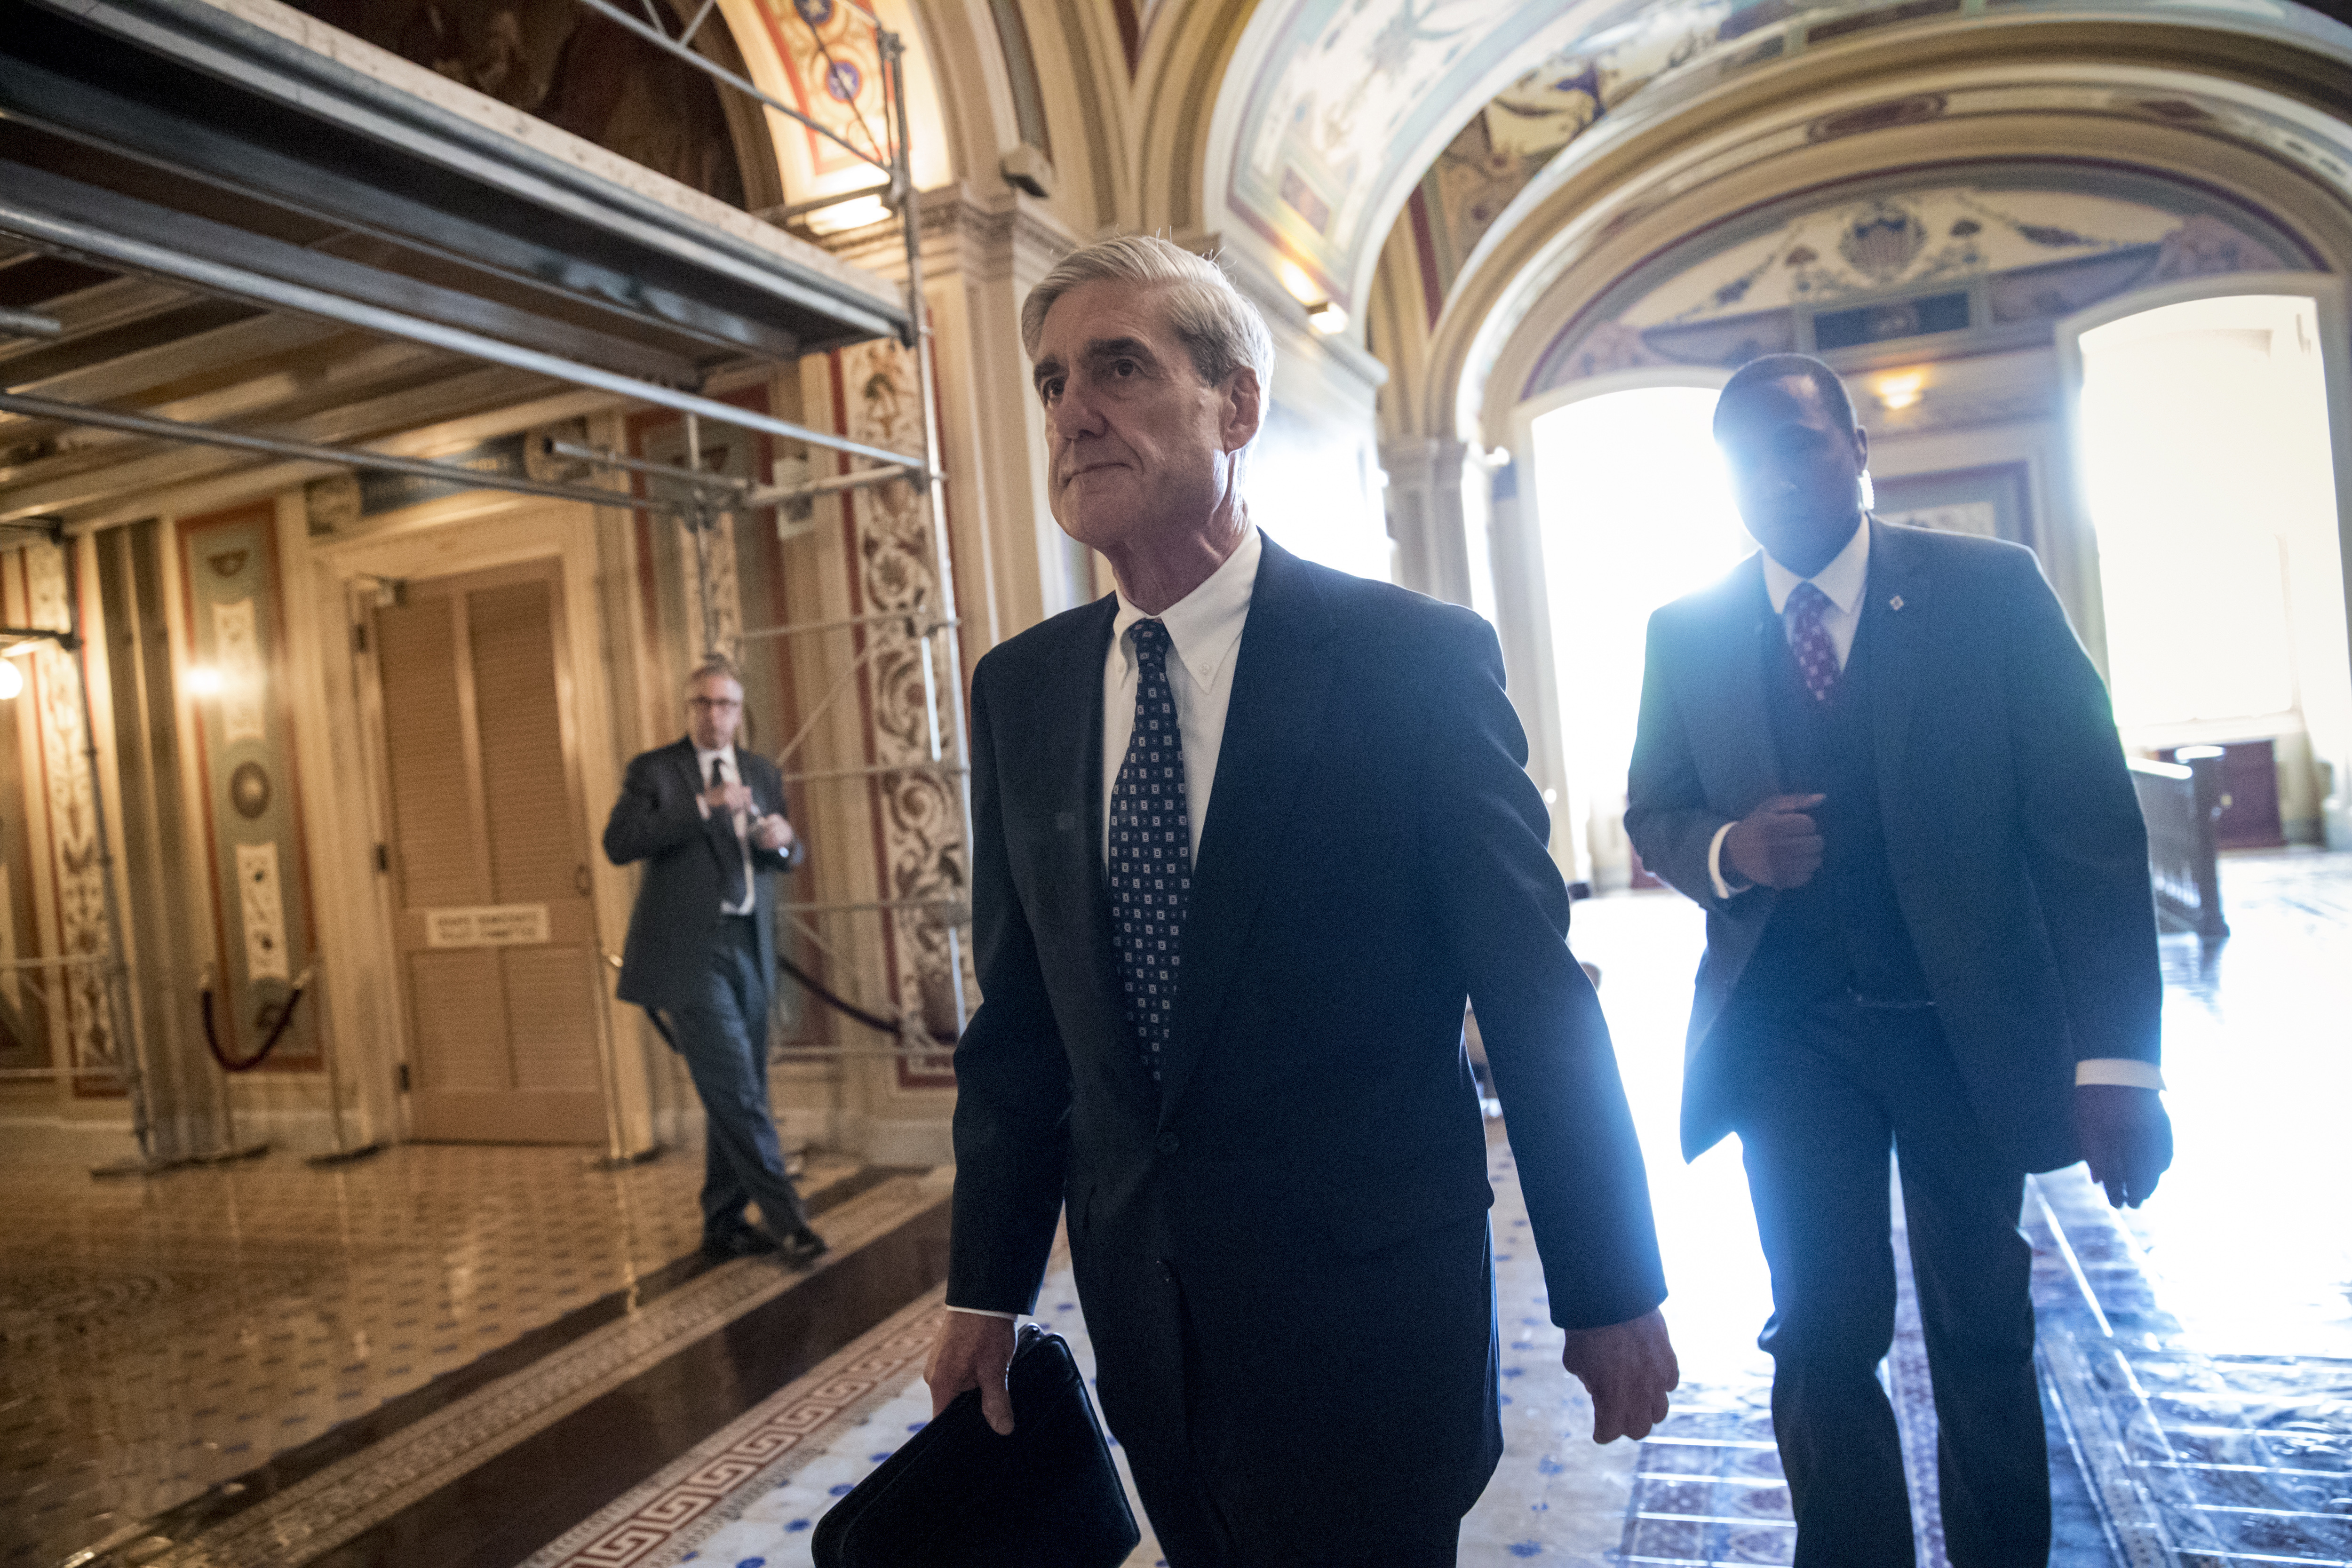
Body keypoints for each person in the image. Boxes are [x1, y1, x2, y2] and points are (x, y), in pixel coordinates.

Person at [923, 234, 1679, 1568]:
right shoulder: (1022, 691)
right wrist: (985, 1282)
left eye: (1118, 366)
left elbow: (1532, 989)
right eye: (1050, 382)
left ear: (1238, 404)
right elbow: (1024, 1022)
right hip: (1147, 1317)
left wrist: (1609, 1279)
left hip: (1369, 1310)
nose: (1073, 411)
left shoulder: (1409, 662)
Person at [1624, 353, 2174, 1567]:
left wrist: (2121, 1065)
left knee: (1981, 1321)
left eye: (1801, 443)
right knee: (1821, 1330)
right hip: (1791, 1037)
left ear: (1856, 451)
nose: (1775, 474)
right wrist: (1726, 846)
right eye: (1745, 456)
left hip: (1964, 1024)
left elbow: (2089, 831)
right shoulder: (1690, 628)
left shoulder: (1992, 591)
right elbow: (1653, 809)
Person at [604, 658, 826, 1268]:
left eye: (726, 704)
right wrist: (703, 808)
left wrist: (782, 841)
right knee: (738, 1089)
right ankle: (792, 1224)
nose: (715, 715)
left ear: (739, 709)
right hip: (688, 954)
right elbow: (618, 843)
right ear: (687, 708)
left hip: (748, 949)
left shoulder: (760, 771)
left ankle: (724, 1222)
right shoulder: (656, 770)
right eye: (703, 703)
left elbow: (788, 853)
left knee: (739, 1088)